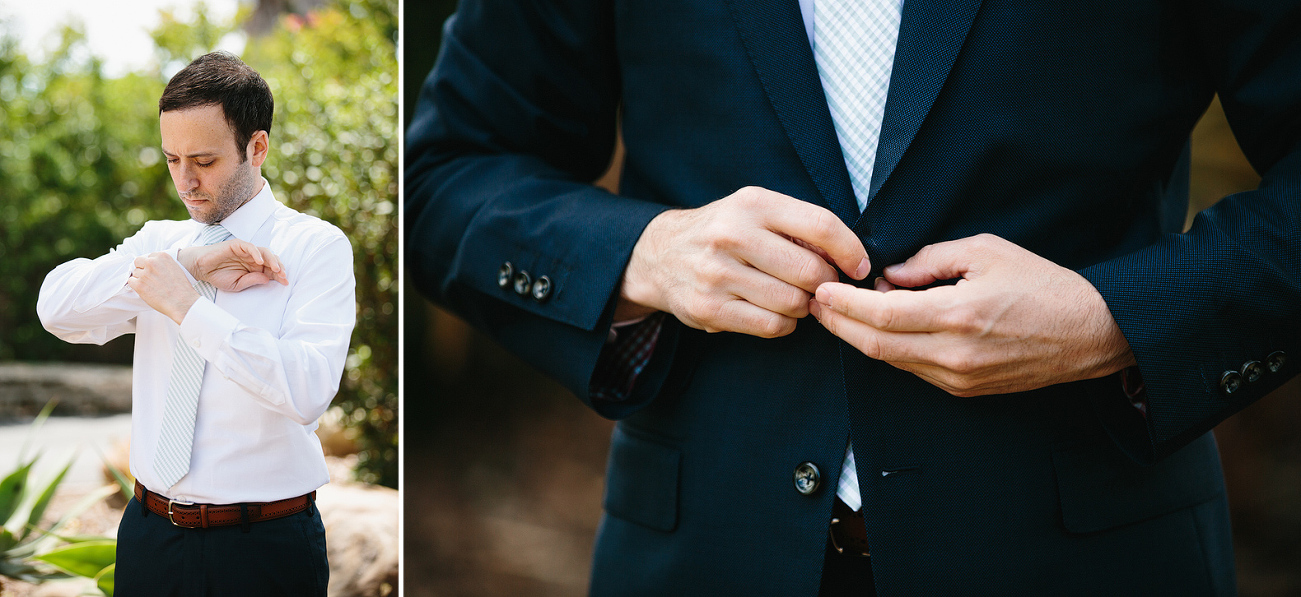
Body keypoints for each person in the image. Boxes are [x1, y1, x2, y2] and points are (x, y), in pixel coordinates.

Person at [405, 1, 1300, 595]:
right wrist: (643, 251)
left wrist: (1108, 320)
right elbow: (447, 176)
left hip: (1089, 557)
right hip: (702, 557)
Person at [38, 51, 354, 596]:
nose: (185, 181)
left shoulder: (315, 246)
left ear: (257, 147)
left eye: (204, 161)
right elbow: (56, 308)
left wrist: (190, 308)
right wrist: (183, 267)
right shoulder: (159, 245)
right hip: (149, 539)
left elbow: (306, 390)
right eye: (171, 159)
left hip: (266, 548)